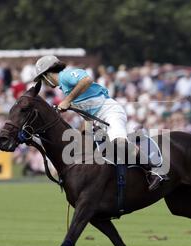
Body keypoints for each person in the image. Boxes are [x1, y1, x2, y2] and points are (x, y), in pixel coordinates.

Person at [33, 55, 168, 190]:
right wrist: (85, 135)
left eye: (42, 78)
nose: (43, 82)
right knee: (100, 156)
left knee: (119, 143)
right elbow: (87, 115)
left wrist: (68, 100)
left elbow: (87, 80)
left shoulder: (66, 75)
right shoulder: (64, 88)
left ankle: (155, 170)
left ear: (47, 74)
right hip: (98, 122)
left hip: (110, 112)